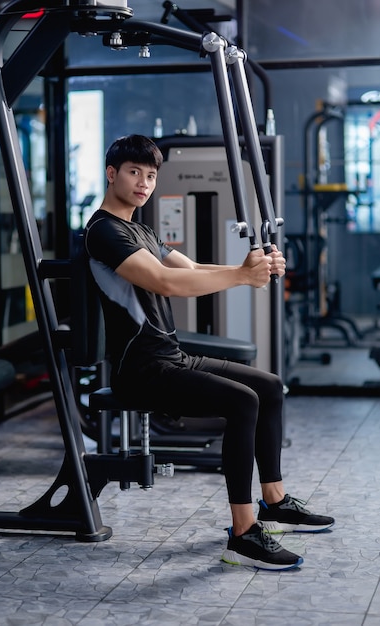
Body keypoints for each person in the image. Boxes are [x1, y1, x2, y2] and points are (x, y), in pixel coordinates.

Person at [84, 134, 335, 571]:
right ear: (112, 174)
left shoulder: (140, 229)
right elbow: (165, 282)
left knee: (269, 386)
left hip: (169, 356)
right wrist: (241, 276)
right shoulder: (104, 232)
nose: (144, 183)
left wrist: (251, 269)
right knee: (243, 401)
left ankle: (273, 502)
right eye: (133, 172)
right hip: (139, 369)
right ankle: (242, 534)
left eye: (150, 175)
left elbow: (192, 269)